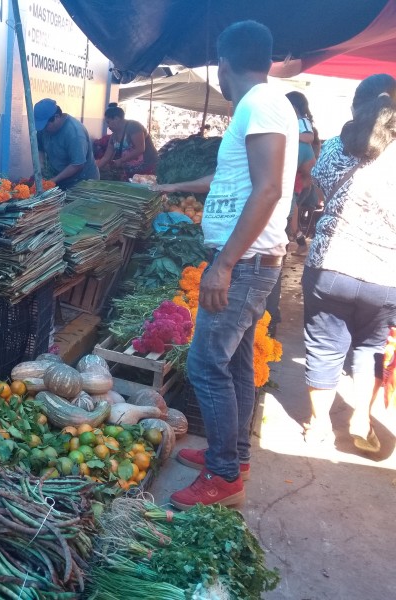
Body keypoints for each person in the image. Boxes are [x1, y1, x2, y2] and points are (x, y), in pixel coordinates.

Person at [155, 21, 298, 509]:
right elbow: (233, 177)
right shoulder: (260, 106)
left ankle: (223, 479)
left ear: (223, 63)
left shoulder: (259, 103)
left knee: (205, 364)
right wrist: (174, 188)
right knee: (235, 361)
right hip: (247, 260)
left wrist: (225, 264)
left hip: (245, 262)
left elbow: (269, 187)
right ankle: (231, 455)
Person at [301, 74, 396, 453]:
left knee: (324, 346)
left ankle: (318, 425)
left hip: (330, 265)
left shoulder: (338, 147)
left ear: (356, 106)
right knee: (371, 347)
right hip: (385, 274)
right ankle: (362, 416)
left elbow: (319, 184)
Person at [33, 98, 99, 189]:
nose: (43, 129)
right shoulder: (43, 129)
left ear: (56, 117)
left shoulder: (75, 133)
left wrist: (53, 181)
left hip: (82, 182)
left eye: (45, 125)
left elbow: (77, 164)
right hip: (60, 178)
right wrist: (43, 170)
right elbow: (40, 148)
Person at [285, 91, 319, 252]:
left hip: (298, 178)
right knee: (291, 210)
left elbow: (308, 137)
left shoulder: (301, 123)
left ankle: (297, 241)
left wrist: (290, 134)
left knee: (291, 211)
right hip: (299, 178)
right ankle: (297, 241)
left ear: (294, 106)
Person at [96, 103, 158, 181]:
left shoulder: (134, 126)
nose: (108, 126)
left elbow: (140, 149)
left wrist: (121, 160)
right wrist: (95, 170)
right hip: (132, 173)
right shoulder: (113, 137)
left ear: (116, 119)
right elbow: (106, 158)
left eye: (108, 122)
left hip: (147, 170)